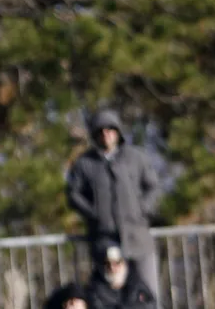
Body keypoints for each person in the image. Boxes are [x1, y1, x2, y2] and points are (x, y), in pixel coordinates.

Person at [67, 109, 162, 297]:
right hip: (104, 240)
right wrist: (94, 214)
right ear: (95, 135)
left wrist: (142, 209)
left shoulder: (136, 158)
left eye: (110, 129)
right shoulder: (84, 164)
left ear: (118, 132)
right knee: (110, 296)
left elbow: (154, 187)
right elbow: (73, 194)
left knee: (147, 292)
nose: (106, 134)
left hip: (138, 237)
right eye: (101, 130)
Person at [88, 244, 156, 309]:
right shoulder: (96, 290)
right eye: (108, 264)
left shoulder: (135, 282)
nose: (112, 268)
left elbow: (151, 304)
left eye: (117, 262)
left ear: (124, 263)